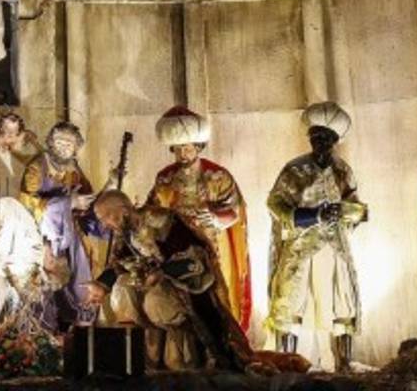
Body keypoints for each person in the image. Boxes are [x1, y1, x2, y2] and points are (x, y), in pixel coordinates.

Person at [88, 191, 251, 371]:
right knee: (122, 288)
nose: (103, 225)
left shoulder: (163, 222)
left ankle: (190, 355)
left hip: (184, 288)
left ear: (123, 211)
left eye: (105, 217)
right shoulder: (125, 231)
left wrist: (162, 272)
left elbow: (195, 259)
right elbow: (120, 262)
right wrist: (101, 285)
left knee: (154, 301)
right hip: (152, 289)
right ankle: (145, 355)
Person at [266, 101, 367, 372]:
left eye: (326, 138)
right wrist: (312, 216)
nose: (320, 143)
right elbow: (275, 203)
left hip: (335, 247)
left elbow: (356, 206)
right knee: (290, 300)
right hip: (301, 245)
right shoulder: (295, 169)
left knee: (342, 300)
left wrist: (345, 212)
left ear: (334, 141)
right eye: (316, 137)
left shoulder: (343, 170)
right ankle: (287, 361)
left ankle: (344, 362)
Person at [146, 106, 251, 330]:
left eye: (187, 149)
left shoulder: (218, 176)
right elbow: (153, 209)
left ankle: (224, 334)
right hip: (176, 244)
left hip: (211, 243)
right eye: (178, 150)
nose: (183, 155)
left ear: (197, 147)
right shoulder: (165, 178)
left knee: (216, 292)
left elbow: (235, 210)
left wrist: (214, 216)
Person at [18, 122, 100, 331]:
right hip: (41, 235)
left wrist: (95, 199)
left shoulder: (73, 168)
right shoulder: (37, 167)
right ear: (51, 143)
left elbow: (86, 196)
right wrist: (67, 203)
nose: (64, 148)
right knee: (43, 281)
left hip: (68, 231)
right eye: (60, 142)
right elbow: (28, 203)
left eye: (69, 144)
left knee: (79, 277)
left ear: (76, 148)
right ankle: (41, 330)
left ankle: (81, 325)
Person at [0, 110, 40, 199]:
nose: (10, 135)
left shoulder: (17, 156)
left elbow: (36, 160)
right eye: (6, 130)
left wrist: (33, 142)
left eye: (14, 132)